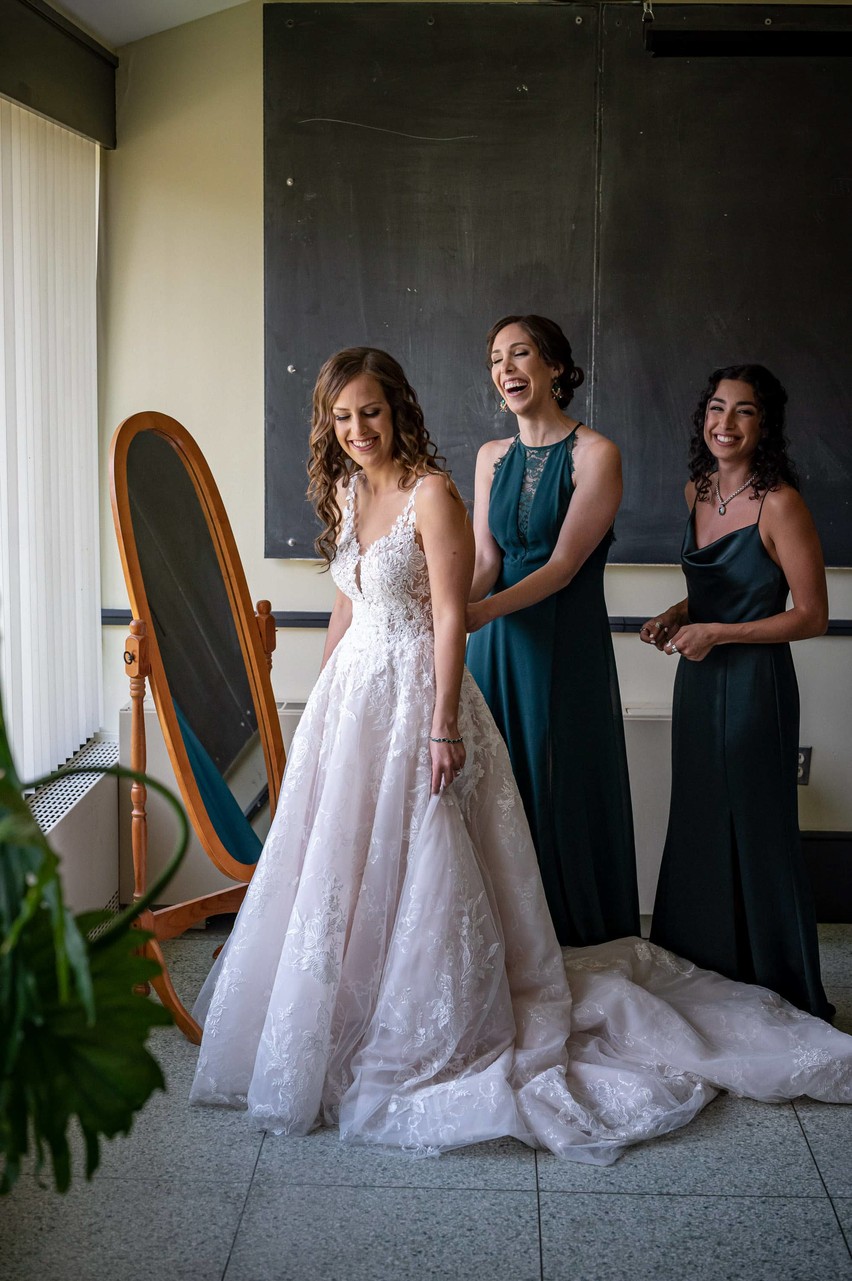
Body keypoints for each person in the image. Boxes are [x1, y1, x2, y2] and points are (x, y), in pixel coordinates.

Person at [190, 348, 852, 1162]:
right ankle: (331, 1016)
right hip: (353, 701)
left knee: (429, 856)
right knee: (338, 868)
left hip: (418, 695)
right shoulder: (346, 487)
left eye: (370, 410)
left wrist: (442, 724)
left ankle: (435, 1014)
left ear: (397, 408)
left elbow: (446, 616)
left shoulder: (435, 492)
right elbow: (346, 602)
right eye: (341, 416)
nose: (357, 429)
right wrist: (319, 706)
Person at [641, 364, 833, 1019]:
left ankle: (778, 982)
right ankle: (704, 978)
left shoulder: (780, 501)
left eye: (743, 411)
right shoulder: (696, 488)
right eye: (716, 407)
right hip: (698, 680)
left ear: (766, 424)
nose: (725, 422)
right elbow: (722, 586)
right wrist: (679, 612)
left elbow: (810, 614)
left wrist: (717, 632)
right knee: (699, 821)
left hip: (756, 688)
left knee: (755, 827)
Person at [465, 314, 639, 946]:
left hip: (562, 649)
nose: (506, 370)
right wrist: (453, 611)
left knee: (556, 779)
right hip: (493, 647)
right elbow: (485, 562)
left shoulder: (597, 454)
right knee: (494, 783)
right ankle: (505, 938)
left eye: (520, 355)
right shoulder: (490, 457)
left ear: (556, 368)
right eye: (495, 359)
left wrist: (479, 613)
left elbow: (564, 567)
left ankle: (568, 936)